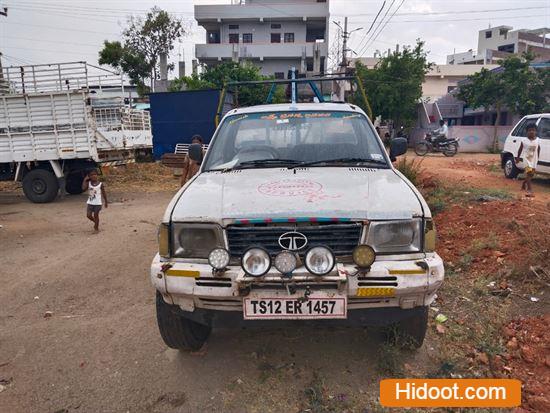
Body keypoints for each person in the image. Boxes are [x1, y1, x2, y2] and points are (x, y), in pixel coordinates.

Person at [515, 123, 540, 197]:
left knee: (531, 174)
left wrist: (537, 158)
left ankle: (523, 183)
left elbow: (539, 149)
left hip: (534, 160)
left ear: (536, 131)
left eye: (533, 130)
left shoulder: (538, 140)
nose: (531, 132)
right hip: (527, 160)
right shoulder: (524, 140)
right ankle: (529, 190)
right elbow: (520, 149)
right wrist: (518, 158)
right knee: (529, 173)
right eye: (529, 130)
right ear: (527, 131)